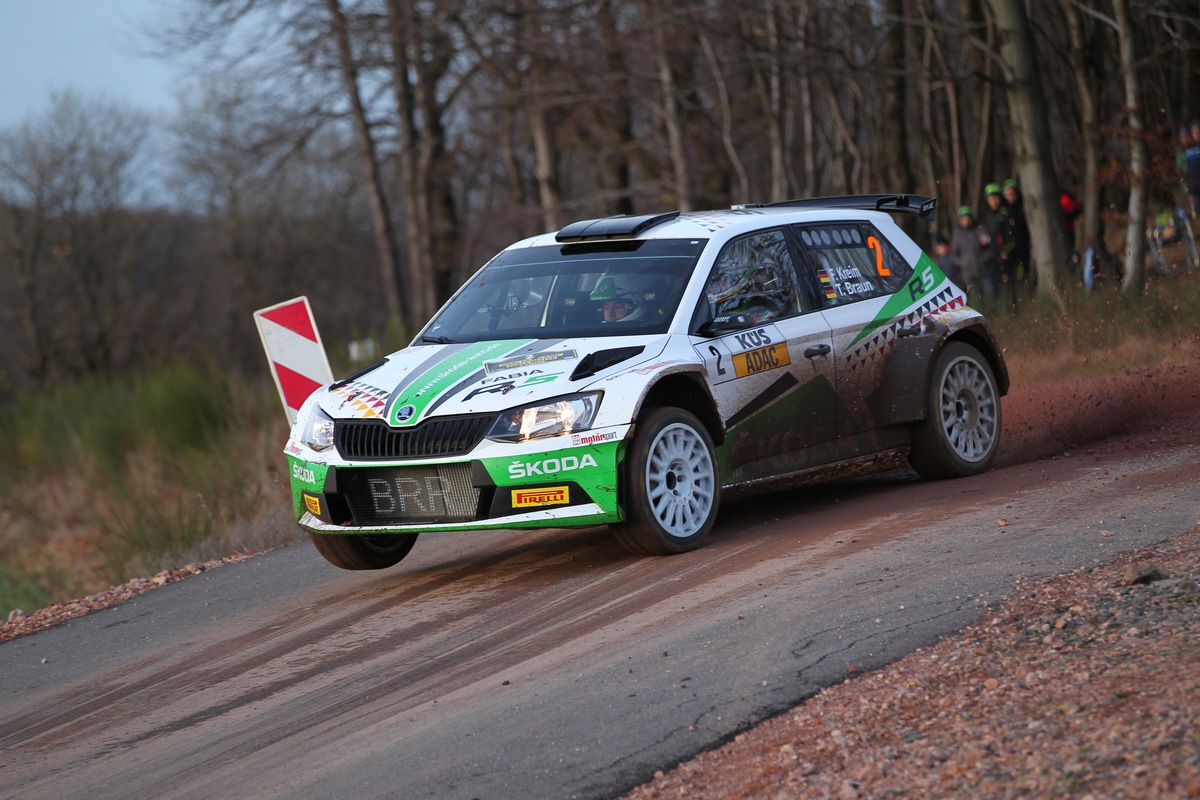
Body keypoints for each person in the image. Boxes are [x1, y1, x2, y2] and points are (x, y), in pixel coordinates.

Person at [950, 205, 996, 304]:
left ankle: (1000, 314)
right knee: (976, 298)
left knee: (992, 293)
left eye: (967, 218)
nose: (966, 220)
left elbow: (991, 248)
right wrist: (963, 263)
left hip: (984, 269)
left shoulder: (980, 229)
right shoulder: (957, 234)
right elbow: (954, 255)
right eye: (963, 218)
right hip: (969, 273)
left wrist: (984, 259)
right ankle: (982, 316)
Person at [1002, 178, 1032, 295]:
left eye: (1012, 193)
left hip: (1022, 247)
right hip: (1008, 250)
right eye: (1007, 194)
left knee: (1022, 275)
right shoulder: (1004, 211)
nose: (1010, 197)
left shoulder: (1022, 207)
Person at [1187, 120, 1200, 218]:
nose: (1196, 134)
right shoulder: (1190, 150)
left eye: (1197, 131)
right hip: (1196, 188)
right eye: (1194, 132)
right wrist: (1190, 190)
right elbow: (1190, 171)